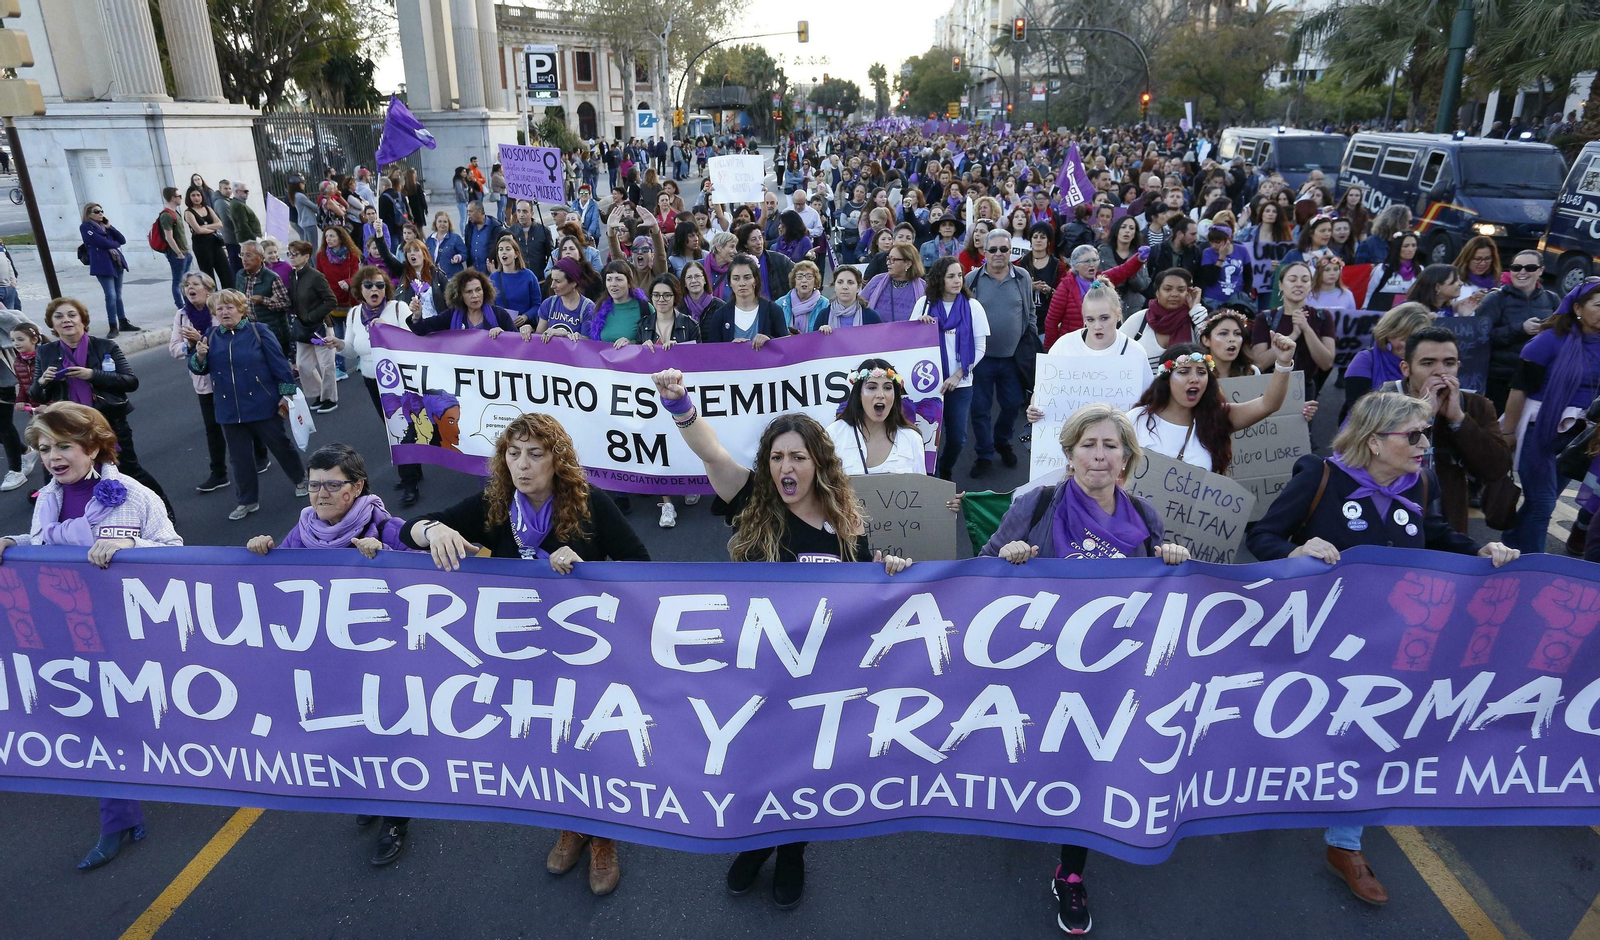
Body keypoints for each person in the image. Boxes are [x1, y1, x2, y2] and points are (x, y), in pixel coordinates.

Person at [650, 366, 911, 910]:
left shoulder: (846, 526)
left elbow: (862, 600)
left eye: (797, 457)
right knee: (755, 767)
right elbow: (714, 454)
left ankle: (790, 852)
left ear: (817, 462)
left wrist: (886, 571)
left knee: (802, 774)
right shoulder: (754, 503)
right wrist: (679, 404)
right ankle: (757, 843)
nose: (786, 467)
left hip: (818, 679)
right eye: (777, 458)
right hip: (755, 673)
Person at [1247, 390, 1519, 907]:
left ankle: (1345, 844)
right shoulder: (1320, 477)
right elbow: (1263, 536)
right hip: (1315, 643)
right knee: (1300, 729)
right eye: (1413, 436)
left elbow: (1431, 530)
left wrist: (1478, 547)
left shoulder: (1418, 483)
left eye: (1426, 435)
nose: (1423, 446)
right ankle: (1268, 797)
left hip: (1392, 645)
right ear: (1374, 442)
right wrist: (1296, 549)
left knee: (1370, 735)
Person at [400, 412, 649, 895]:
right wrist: (433, 532)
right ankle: (572, 824)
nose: (523, 464)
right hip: (524, 654)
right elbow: (410, 527)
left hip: (589, 654)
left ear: (558, 460)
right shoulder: (495, 505)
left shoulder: (591, 505)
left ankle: (605, 838)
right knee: (550, 744)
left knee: (592, 744)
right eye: (513, 454)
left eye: (535, 453)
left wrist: (588, 572)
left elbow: (643, 567)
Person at [980, 402, 1188, 935]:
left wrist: (1170, 560)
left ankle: (1070, 873)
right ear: (1069, 455)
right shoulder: (1036, 504)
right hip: (1039, 667)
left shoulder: (1145, 518)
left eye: (1110, 446)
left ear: (1126, 458)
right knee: (1039, 758)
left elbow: (1160, 594)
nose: (1099, 455)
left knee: (1091, 767)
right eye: (1088, 445)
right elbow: (980, 572)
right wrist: (1009, 559)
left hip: (1111, 674)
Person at [0, 401, 182, 871]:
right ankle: (120, 816)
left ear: (93, 445)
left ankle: (124, 812)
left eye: (64, 445)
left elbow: (175, 553)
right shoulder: (50, 499)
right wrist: (14, 545)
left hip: (123, 633)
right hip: (65, 629)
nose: (53, 456)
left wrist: (131, 546)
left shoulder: (133, 494)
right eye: (44, 448)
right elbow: (47, 546)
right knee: (91, 720)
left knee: (117, 720)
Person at [32, 297, 169, 512]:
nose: (66, 320)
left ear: (82, 320)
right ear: (52, 323)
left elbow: (130, 381)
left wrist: (93, 375)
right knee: (72, 479)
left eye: (71, 315)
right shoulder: (45, 352)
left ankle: (163, 510)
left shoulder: (105, 346)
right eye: (58, 317)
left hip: (108, 422)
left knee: (128, 470)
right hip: (68, 428)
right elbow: (37, 395)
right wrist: (43, 382)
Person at [1375, 324, 1513, 534]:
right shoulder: (1381, 401)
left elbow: (1497, 469)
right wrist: (1423, 416)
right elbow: (1366, 460)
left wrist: (1459, 419)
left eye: (1449, 363)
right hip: (1390, 516)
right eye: (1428, 363)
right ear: (1406, 368)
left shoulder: (1475, 405)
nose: (1440, 372)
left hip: (1448, 521)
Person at [188, 289, 308, 520]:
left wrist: (287, 393)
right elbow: (197, 368)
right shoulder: (210, 336)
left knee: (280, 445)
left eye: (229, 307)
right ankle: (247, 501)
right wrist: (200, 355)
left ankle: (301, 479)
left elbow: (280, 364)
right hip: (229, 409)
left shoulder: (258, 331)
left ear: (241, 310)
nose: (224, 312)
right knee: (239, 458)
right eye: (220, 308)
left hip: (263, 404)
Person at [1500, 279, 1600, 553]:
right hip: (1539, 428)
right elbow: (1519, 388)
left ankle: (1509, 544)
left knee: (1542, 501)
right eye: (1599, 305)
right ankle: (1535, 567)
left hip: (1578, 436)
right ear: (1578, 308)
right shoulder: (1548, 341)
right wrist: (1507, 433)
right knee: (1543, 503)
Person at [1131, 333, 1295, 473]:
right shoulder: (1136, 419)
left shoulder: (1216, 417)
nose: (1194, 379)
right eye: (1184, 372)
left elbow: (1268, 404)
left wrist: (1283, 363)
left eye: (1201, 372)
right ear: (1166, 380)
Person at [909, 257, 989, 479]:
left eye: (960, 275)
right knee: (923, 434)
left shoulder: (973, 306)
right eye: (951, 276)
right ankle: (925, 475)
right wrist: (919, 328)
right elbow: (909, 345)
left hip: (960, 384)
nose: (957, 280)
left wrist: (958, 374)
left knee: (957, 437)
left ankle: (945, 467)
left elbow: (980, 347)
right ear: (939, 279)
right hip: (928, 383)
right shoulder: (923, 304)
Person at [1479, 249, 1560, 411]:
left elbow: (1564, 334)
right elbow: (1480, 337)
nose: (1522, 272)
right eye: (1516, 268)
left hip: (1538, 377)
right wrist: (1520, 329)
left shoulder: (1551, 299)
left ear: (1541, 270)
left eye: (1530, 268)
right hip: (1500, 378)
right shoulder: (1495, 299)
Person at [1047, 279, 1156, 389]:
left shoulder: (1135, 351)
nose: (1097, 326)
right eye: (1090, 320)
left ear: (1118, 314)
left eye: (1104, 318)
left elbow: (1147, 399)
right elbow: (1042, 392)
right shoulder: (1064, 346)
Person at [1250, 261, 1337, 397]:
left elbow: (1326, 363)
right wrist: (1293, 334)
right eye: (1292, 279)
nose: (1299, 284)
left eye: (1305, 280)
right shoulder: (1265, 318)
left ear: (1311, 285)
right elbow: (1259, 363)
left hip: (1304, 389)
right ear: (1281, 285)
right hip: (1269, 388)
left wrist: (1306, 328)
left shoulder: (1322, 316)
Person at [827, 358, 927, 475]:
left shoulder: (912, 438)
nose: (880, 395)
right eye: (872, 387)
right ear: (859, 394)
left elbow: (922, 490)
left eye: (887, 388)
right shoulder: (835, 434)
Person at [1044, 243, 1149, 347]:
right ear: (1075, 265)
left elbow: (1123, 270)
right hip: (1074, 345)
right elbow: (1051, 322)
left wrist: (1138, 258)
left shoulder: (1102, 279)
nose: (1092, 264)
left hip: (1100, 343)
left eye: (1094, 260)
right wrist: (1051, 352)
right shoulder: (1065, 287)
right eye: (1086, 261)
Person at [1343, 303, 1434, 417]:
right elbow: (1358, 409)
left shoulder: (1432, 364)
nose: (1408, 345)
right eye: (1402, 338)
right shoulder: (1365, 360)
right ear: (1387, 335)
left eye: (1415, 339)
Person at [1121, 267, 1209, 371]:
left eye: (1181, 290)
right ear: (1157, 293)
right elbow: (1116, 351)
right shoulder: (1140, 319)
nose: (1174, 294)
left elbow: (1211, 343)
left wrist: (1196, 307)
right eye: (1167, 289)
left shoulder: (1194, 319)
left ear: (1188, 293)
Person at [411, 269, 529, 338]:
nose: (475, 295)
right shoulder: (451, 315)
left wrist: (504, 336)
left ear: (485, 290)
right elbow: (423, 329)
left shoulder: (500, 314)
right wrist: (417, 316)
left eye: (478, 290)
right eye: (469, 292)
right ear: (459, 295)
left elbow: (517, 343)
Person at [78, 203, 137, 338]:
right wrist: (115, 244)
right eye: (96, 211)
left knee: (118, 295)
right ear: (88, 214)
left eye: (101, 211)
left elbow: (122, 239)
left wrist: (110, 226)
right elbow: (101, 242)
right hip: (102, 264)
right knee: (110, 295)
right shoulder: (86, 227)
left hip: (116, 261)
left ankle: (123, 321)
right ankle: (113, 325)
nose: (100, 214)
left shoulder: (105, 226)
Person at [701, 255, 788, 346]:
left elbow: (785, 346)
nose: (742, 283)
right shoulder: (720, 315)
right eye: (736, 278)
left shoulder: (773, 310)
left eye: (747, 277)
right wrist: (729, 348)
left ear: (756, 280)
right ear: (730, 283)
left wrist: (769, 340)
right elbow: (714, 352)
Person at [860, 245, 927, 323]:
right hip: (876, 333)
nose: (888, 263)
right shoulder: (877, 281)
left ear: (908, 264)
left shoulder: (923, 288)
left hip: (909, 334)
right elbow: (860, 307)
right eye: (888, 258)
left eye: (893, 259)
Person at [488, 234, 543, 327]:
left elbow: (537, 305)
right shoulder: (493, 278)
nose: (503, 252)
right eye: (500, 249)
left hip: (524, 328)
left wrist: (525, 317)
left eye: (508, 249)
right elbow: (489, 306)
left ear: (516, 254)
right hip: (501, 328)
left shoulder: (529, 276)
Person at [184, 185, 230, 294]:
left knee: (225, 270)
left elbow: (219, 224)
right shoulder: (188, 212)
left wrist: (205, 226)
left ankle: (229, 294)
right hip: (201, 245)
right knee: (207, 274)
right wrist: (210, 228)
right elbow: (198, 230)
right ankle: (212, 298)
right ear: (189, 197)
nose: (196, 198)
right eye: (193, 195)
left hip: (215, 242)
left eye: (198, 195)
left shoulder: (208, 208)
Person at [810, 266, 882, 333]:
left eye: (850, 282)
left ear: (858, 288)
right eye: (840, 282)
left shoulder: (871, 316)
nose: (845, 287)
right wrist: (820, 334)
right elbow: (815, 344)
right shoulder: (823, 315)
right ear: (834, 286)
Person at [1363, 231, 1421, 310]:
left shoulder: (1420, 270)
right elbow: (1369, 294)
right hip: (1383, 313)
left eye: (1414, 245)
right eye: (1406, 246)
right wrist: (1365, 310)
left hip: (1409, 315)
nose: (1411, 249)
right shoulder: (1382, 270)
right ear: (1397, 248)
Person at [157, 187, 191, 309]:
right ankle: (181, 307)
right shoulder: (166, 215)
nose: (181, 198)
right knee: (178, 282)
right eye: (179, 196)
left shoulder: (175, 212)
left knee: (186, 282)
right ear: (173, 198)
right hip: (177, 254)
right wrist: (179, 252)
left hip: (185, 252)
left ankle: (189, 304)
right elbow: (168, 237)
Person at [1408, 262, 1481, 316]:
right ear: (1437, 287)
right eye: (1455, 280)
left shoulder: (1446, 309)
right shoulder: (1410, 311)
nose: (1461, 283)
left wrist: (1463, 316)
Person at [775, 260, 829, 333]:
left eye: (809, 276)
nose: (804, 280)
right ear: (794, 280)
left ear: (815, 281)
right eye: (799, 276)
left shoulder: (825, 304)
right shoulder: (780, 304)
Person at [1452, 234, 1502, 301]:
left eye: (1487, 258)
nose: (1483, 263)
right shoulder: (1452, 280)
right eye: (1477, 259)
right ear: (1467, 258)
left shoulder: (1498, 281)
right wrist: (1472, 299)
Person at [426, 212, 468, 281]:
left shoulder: (455, 238)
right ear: (435, 223)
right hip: (435, 278)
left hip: (452, 278)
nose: (442, 224)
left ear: (449, 224)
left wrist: (458, 257)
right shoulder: (429, 240)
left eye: (445, 222)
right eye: (439, 221)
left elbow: (465, 253)